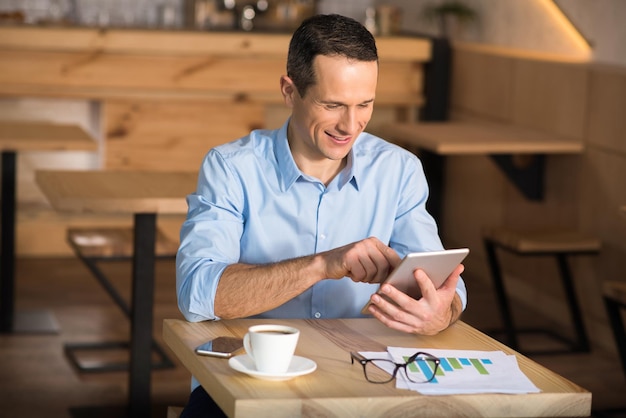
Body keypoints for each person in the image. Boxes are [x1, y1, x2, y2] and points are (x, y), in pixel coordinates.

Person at [176, 13, 467, 417]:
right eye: (333, 105)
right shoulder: (231, 168)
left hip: (364, 379)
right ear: (289, 91)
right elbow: (198, 294)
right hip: (245, 380)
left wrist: (439, 313)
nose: (351, 125)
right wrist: (323, 265)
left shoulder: (399, 171)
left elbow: (445, 292)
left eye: (364, 104)